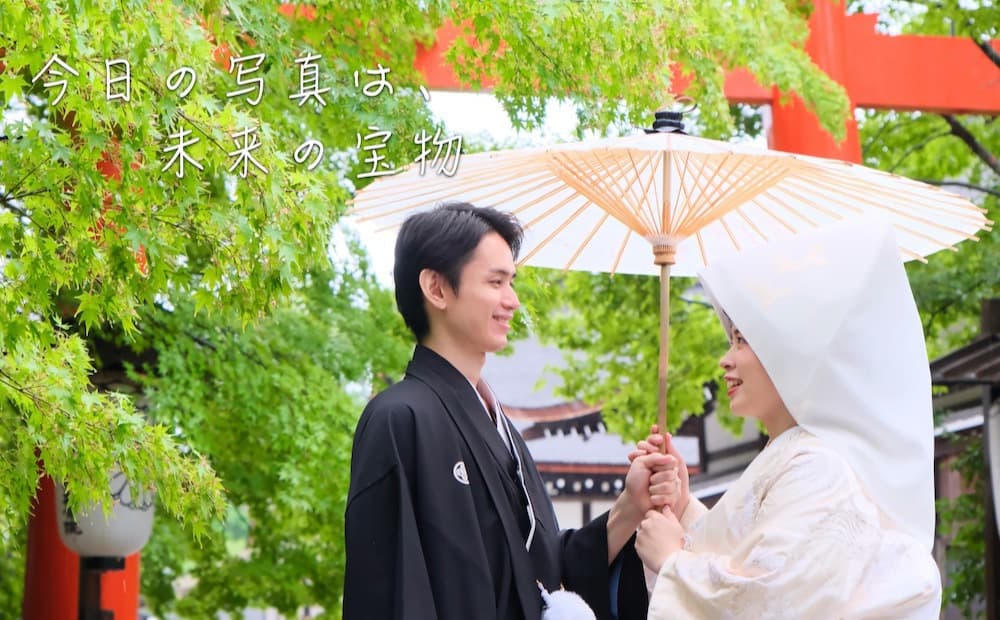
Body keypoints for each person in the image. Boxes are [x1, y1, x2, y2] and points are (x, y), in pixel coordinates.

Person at [343, 202, 659, 620]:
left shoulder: (502, 429)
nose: (512, 301)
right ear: (436, 288)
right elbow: (392, 593)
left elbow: (541, 573)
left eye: (511, 283)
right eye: (495, 282)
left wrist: (629, 508)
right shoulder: (400, 419)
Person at [633, 217, 943, 619]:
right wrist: (684, 508)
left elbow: (770, 598)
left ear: (790, 351)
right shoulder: (799, 457)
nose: (725, 360)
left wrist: (674, 561)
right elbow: (759, 561)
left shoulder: (817, 464)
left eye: (742, 340)